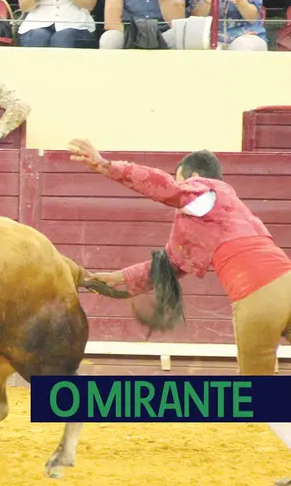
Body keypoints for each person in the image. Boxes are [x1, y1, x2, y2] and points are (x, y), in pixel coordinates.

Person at [68, 139, 291, 486]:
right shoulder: (210, 218)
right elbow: (161, 271)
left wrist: (106, 165)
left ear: (194, 175)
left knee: (259, 395)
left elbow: (167, 188)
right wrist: (98, 281)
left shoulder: (207, 190)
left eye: (181, 178)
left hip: (257, 295)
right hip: (286, 278)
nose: (180, 185)